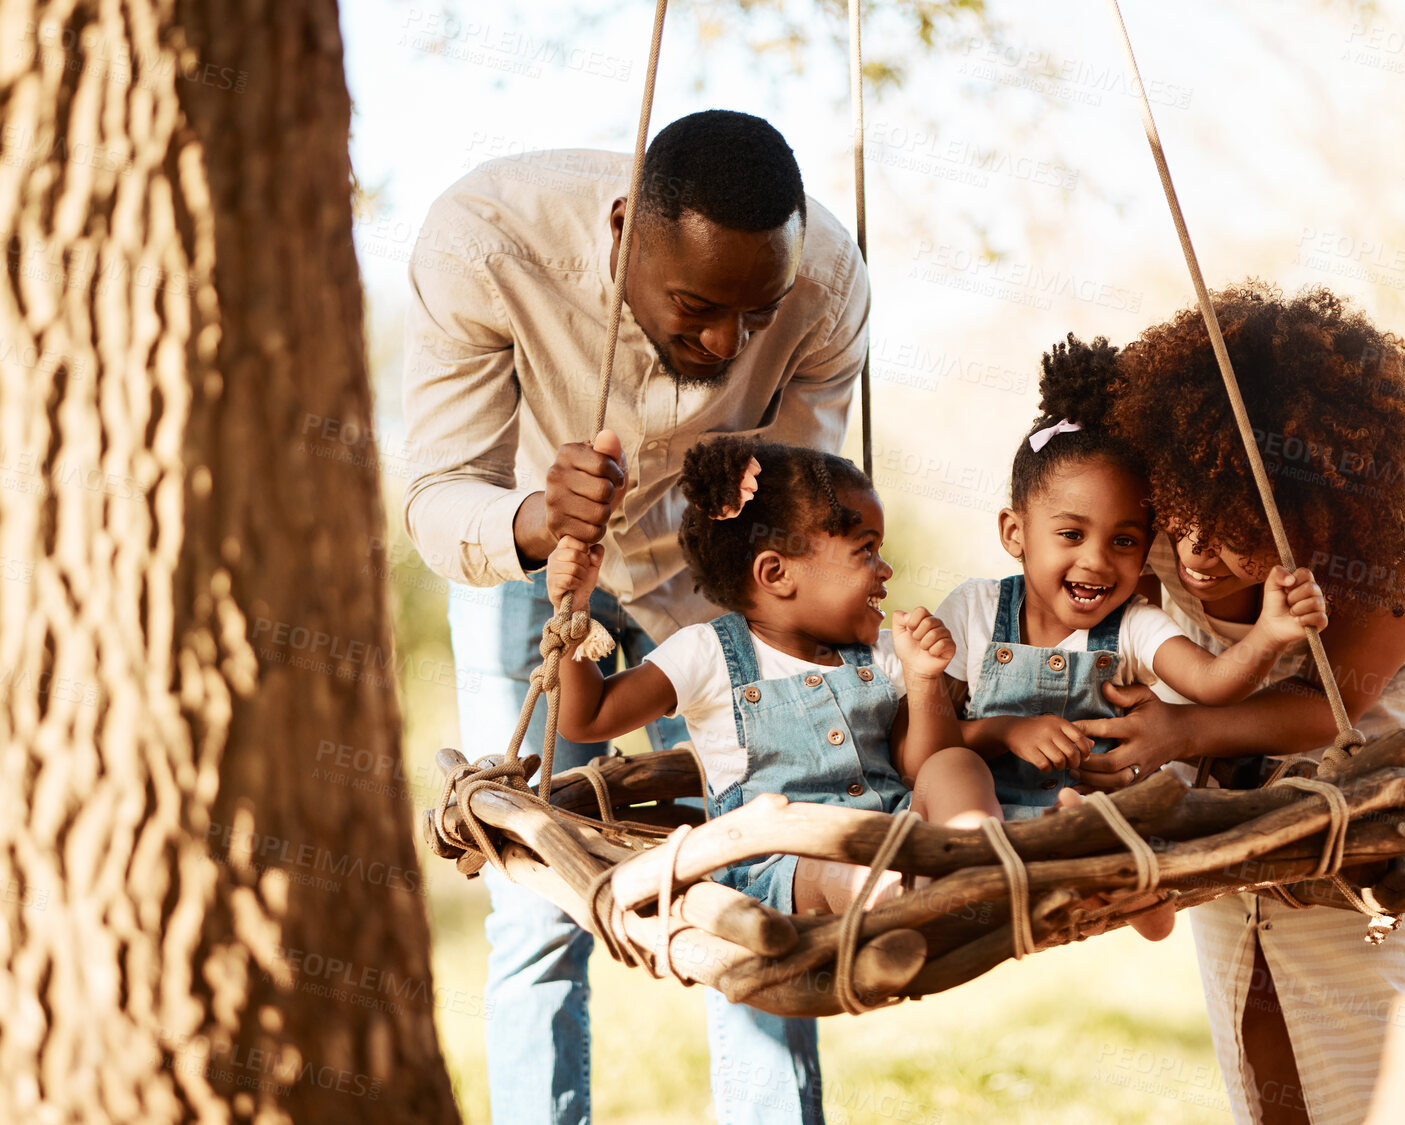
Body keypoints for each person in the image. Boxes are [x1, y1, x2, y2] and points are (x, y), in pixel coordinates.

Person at [402, 110, 868, 1125]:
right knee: (537, 887)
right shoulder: (483, 237)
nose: (726, 342)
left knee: (760, 864)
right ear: (622, 231)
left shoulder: (831, 286)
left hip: (714, 564)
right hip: (529, 560)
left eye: (756, 314)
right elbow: (436, 496)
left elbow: (799, 506)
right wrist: (534, 518)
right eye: (697, 306)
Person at [1072, 283, 1405, 1125]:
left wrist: (1188, 725)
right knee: (1246, 934)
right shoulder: (1166, 476)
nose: (1199, 559)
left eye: (1240, 531)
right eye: (1185, 525)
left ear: (1321, 513)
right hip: (1225, 679)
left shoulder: (1404, 506)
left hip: (1402, 700)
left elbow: (1337, 701)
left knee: (1374, 954)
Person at [546, 435, 989, 922]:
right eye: (865, 550)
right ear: (777, 573)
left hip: (901, 841)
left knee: (957, 767)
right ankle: (900, 897)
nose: (886, 569)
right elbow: (586, 719)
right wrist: (574, 613)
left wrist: (925, 681)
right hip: (784, 872)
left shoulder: (882, 656)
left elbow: (918, 768)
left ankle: (980, 869)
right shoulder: (709, 653)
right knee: (830, 863)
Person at [925, 334, 1327, 837]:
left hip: (1084, 815)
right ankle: (987, 853)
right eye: (1071, 534)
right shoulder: (975, 611)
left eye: (1123, 540)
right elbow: (924, 749)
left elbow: (1211, 683)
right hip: (984, 818)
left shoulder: (1134, 625)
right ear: (1014, 532)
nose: (1096, 561)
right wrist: (1007, 730)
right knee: (950, 767)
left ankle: (1127, 875)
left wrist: (1268, 634)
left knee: (1123, 801)